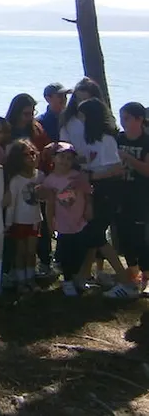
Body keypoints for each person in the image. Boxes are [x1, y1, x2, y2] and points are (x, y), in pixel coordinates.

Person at [73, 98, 136, 298]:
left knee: (96, 234)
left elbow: (116, 168)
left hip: (108, 190)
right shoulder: (91, 137)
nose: (80, 119)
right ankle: (82, 277)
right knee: (94, 233)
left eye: (83, 116)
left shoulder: (107, 139)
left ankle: (127, 283)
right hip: (96, 188)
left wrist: (91, 176)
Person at [43, 142, 92, 297]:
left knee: (81, 251)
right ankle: (68, 280)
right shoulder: (49, 180)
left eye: (69, 158)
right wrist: (50, 222)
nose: (65, 161)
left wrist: (89, 208)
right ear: (54, 158)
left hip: (80, 221)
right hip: (63, 224)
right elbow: (49, 205)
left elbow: (87, 194)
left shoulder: (77, 176)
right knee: (66, 253)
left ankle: (78, 277)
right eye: (62, 157)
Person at [3, 139, 45, 293]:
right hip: (19, 221)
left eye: (33, 153)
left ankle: (31, 279)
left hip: (35, 220)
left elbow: (45, 197)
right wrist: (8, 224)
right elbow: (11, 204)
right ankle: (21, 281)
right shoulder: (16, 180)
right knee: (20, 252)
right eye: (26, 155)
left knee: (31, 252)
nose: (31, 157)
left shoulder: (40, 176)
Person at [116, 102, 149, 293]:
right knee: (124, 237)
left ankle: (146, 277)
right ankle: (133, 275)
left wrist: (128, 158)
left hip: (140, 196)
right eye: (121, 117)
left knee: (140, 239)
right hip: (120, 194)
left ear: (139, 119)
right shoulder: (117, 138)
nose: (123, 122)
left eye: (127, 118)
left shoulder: (145, 141)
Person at [60, 77, 103, 155]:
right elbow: (65, 149)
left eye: (86, 100)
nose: (82, 104)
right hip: (75, 165)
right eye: (79, 100)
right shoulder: (67, 120)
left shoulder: (104, 122)